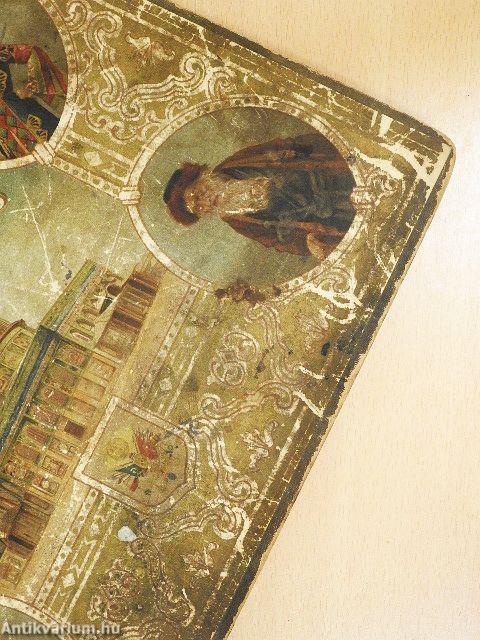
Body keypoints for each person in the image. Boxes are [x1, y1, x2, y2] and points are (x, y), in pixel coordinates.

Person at [163, 133, 356, 260]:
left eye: (198, 194)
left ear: (202, 177)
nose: (205, 203)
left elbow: (281, 147)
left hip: (328, 175)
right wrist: (306, 243)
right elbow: (275, 240)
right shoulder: (235, 219)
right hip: (331, 215)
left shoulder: (235, 163)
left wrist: (292, 154)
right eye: (198, 208)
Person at [0, 43, 67, 159]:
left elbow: (31, 52)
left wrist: (33, 85)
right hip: (7, 146)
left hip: (24, 113)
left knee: (62, 149)